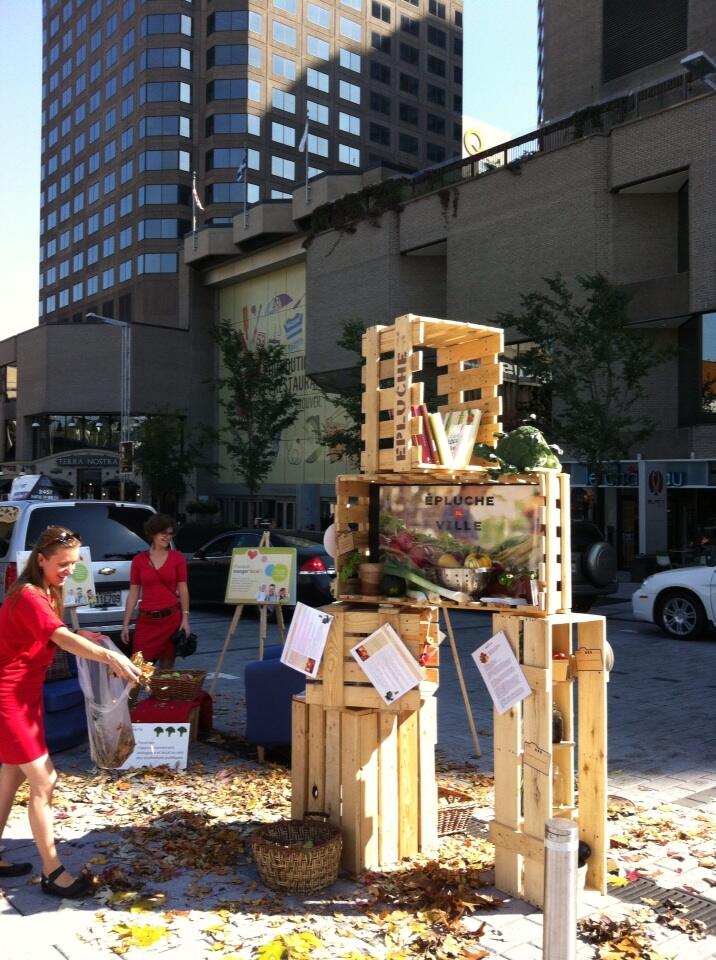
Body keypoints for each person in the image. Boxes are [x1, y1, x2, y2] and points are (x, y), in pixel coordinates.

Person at [0, 526, 140, 898]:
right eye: (62, 563)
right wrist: (109, 654)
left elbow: (52, 633)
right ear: (40, 559)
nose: (69, 570)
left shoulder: (44, 591)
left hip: (25, 696)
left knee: (11, 776)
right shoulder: (29, 594)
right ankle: (53, 872)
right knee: (45, 782)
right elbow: (59, 637)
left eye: (74, 564)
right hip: (9, 696)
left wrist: (92, 640)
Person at [121, 514, 190, 670]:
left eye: (170, 533)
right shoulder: (139, 560)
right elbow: (133, 593)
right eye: (163, 533)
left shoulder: (177, 558)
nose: (167, 537)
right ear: (153, 533)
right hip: (147, 621)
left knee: (167, 668)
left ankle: (161, 695)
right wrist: (125, 623)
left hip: (172, 619)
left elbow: (183, 589)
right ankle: (130, 696)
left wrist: (185, 619)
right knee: (138, 670)